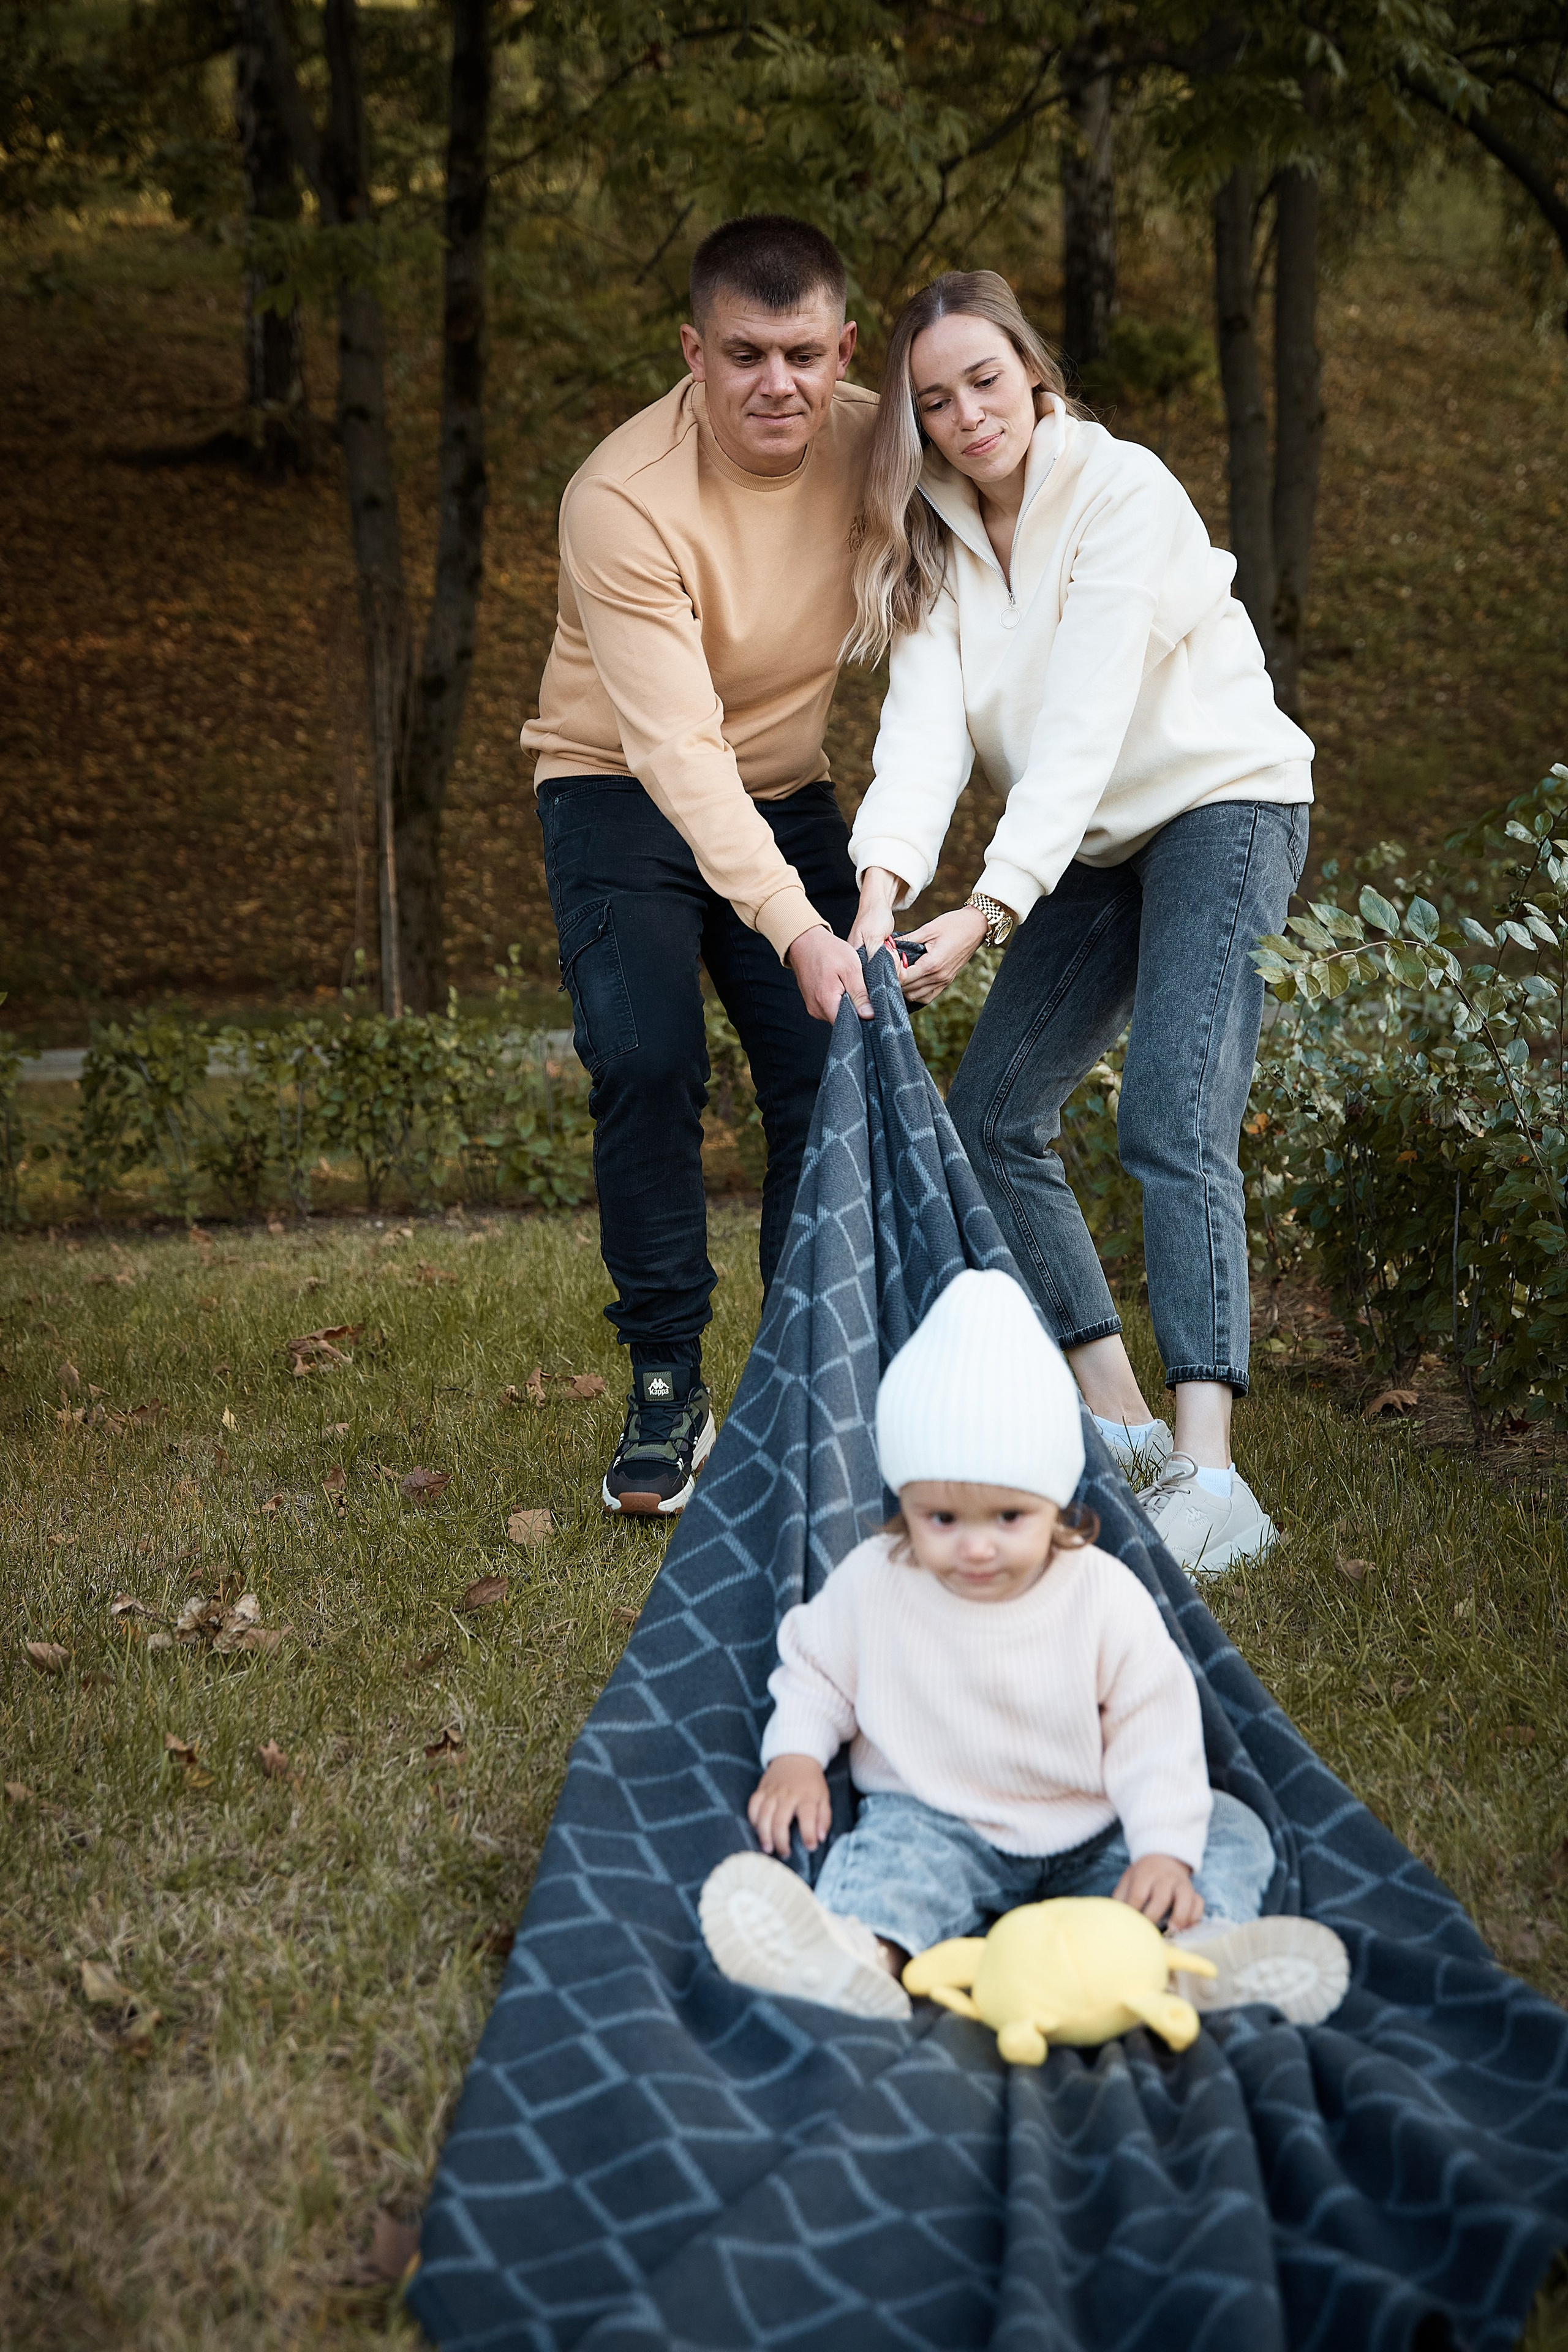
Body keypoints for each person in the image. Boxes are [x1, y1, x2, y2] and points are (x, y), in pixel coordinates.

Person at [843, 271, 1314, 1575]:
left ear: (1032, 373)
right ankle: (1123, 1427)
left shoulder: (1121, 491)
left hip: (1221, 803)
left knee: (1170, 1111)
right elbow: (922, 738)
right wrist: (880, 892)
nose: (967, 415)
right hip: (1091, 847)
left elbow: (1086, 722)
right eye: (935, 401)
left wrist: (988, 908)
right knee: (992, 1115)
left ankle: (1215, 1476)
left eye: (984, 380)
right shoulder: (937, 543)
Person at [699, 1271, 1346, 2024]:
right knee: (888, 1860)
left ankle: (1196, 1953)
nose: (975, 1547)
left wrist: (1162, 1848)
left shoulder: (1100, 1595)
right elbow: (816, 1670)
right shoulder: (874, 1580)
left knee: (1229, 1829)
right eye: (942, 1519)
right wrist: (795, 1756)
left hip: (1096, 1826)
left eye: (1008, 1517)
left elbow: (1156, 1727)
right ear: (906, 1499)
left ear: (1054, 1502)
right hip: (941, 1820)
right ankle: (857, 1954)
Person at [522, 216, 878, 1517]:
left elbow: (1020, 485)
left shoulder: (885, 444)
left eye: (802, 354)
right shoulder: (620, 497)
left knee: (829, 1070)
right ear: (693, 351)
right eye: (743, 354)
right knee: (647, 1055)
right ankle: (666, 1380)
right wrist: (796, 926)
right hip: (616, 785)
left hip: (783, 786)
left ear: (846, 350)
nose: (776, 383)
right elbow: (675, 749)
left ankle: (800, 1383)